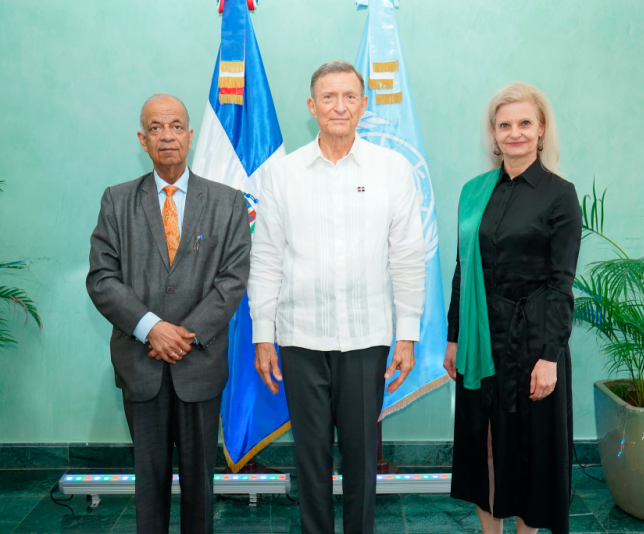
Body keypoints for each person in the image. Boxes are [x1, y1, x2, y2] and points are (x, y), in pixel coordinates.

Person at [248, 60, 426, 534]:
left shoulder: (392, 170)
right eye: (329, 97)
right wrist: (263, 335)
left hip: (366, 339)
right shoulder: (282, 175)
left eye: (349, 96)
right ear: (312, 106)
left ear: (363, 105)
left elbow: (407, 257)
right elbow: (265, 260)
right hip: (300, 339)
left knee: (362, 457)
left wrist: (407, 334)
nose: (339, 106)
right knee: (310, 458)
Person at [86, 93, 251, 534]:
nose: (167, 136)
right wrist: (151, 328)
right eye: (156, 128)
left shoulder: (228, 202)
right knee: (149, 483)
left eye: (176, 126)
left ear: (190, 136)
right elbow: (102, 279)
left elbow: (233, 280)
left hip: (200, 365)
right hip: (141, 365)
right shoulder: (117, 201)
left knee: (200, 487)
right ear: (142, 139)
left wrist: (185, 334)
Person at [443, 82, 581, 534]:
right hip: (480, 338)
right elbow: (463, 270)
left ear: (541, 130)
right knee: (482, 444)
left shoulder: (560, 194)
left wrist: (549, 356)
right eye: (505, 125)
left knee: (528, 452)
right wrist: (453, 338)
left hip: (533, 341)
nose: (514, 133)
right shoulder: (474, 192)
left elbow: (561, 283)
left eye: (524, 123)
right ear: (494, 133)